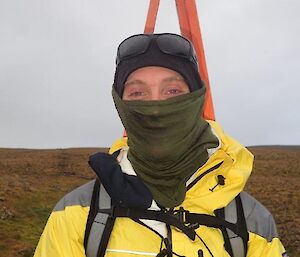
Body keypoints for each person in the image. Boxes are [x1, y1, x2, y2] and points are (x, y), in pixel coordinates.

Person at [33, 33, 287, 257]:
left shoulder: (251, 221)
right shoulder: (74, 215)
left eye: (172, 91)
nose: (155, 108)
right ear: (120, 105)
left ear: (197, 98)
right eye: (137, 93)